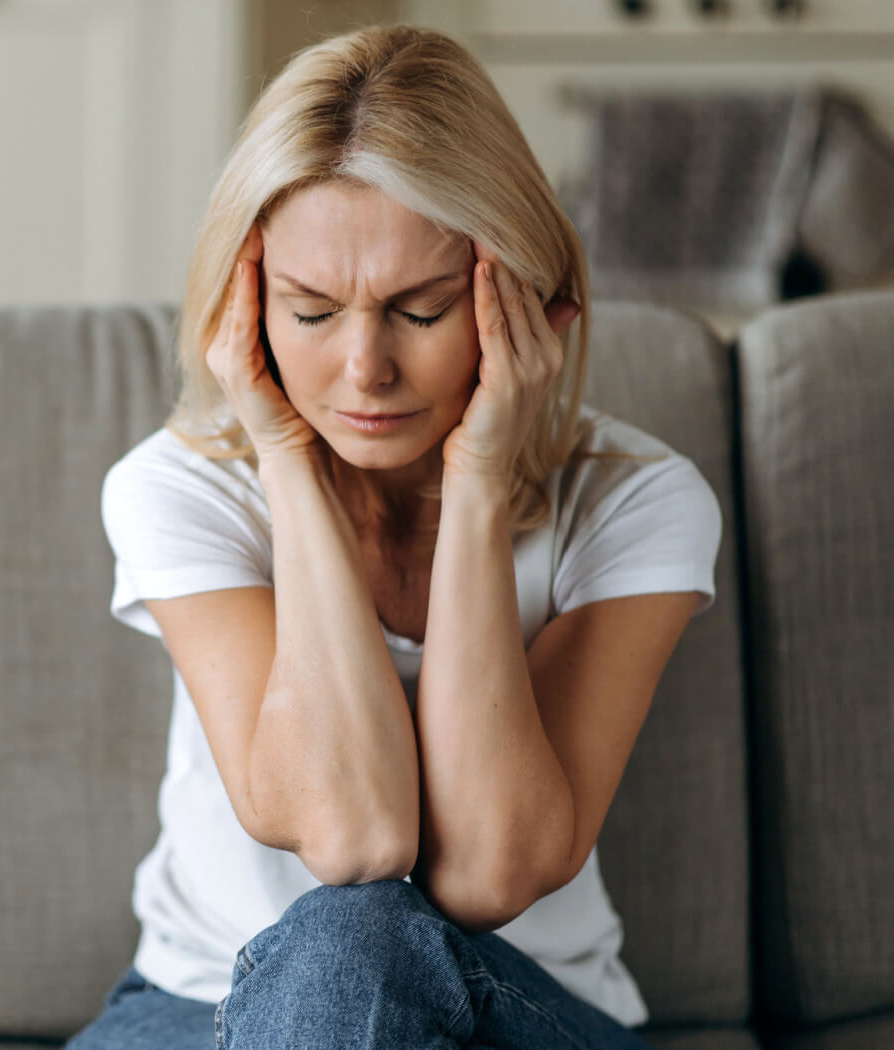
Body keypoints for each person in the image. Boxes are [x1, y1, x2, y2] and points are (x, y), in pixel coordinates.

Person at [65, 22, 721, 1050]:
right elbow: (354, 832)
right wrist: (282, 456)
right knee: (346, 940)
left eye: (417, 312)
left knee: (358, 944)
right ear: (248, 308)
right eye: (312, 311)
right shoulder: (179, 489)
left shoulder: (637, 504)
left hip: (520, 1012)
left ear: (523, 299)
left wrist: (475, 482)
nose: (364, 371)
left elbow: (487, 872)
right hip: (205, 1012)